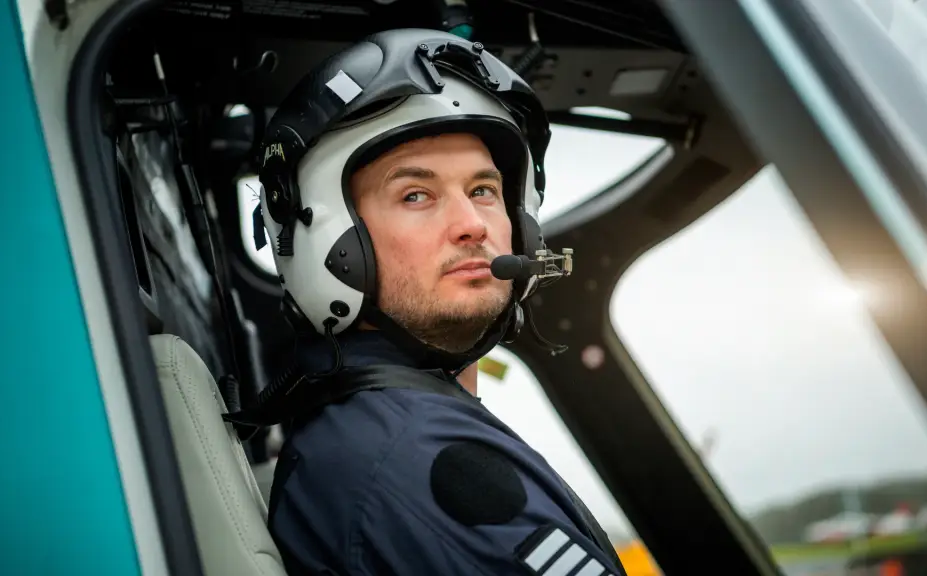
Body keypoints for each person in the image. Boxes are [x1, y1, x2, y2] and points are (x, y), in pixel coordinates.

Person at [229, 28, 628, 576]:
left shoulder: (376, 428)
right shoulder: (427, 464)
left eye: (484, 190)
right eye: (416, 194)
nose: (471, 225)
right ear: (330, 238)